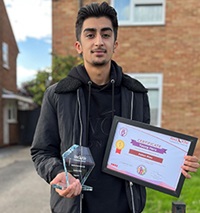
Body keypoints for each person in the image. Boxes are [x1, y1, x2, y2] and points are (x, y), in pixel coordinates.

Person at [30, 2, 200, 213]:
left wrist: (174, 163)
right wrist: (57, 172)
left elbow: (145, 148)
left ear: (115, 44)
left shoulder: (136, 94)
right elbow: (42, 151)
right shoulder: (58, 95)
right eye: (90, 35)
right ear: (79, 46)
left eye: (106, 34)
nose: (99, 41)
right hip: (74, 207)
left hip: (125, 207)